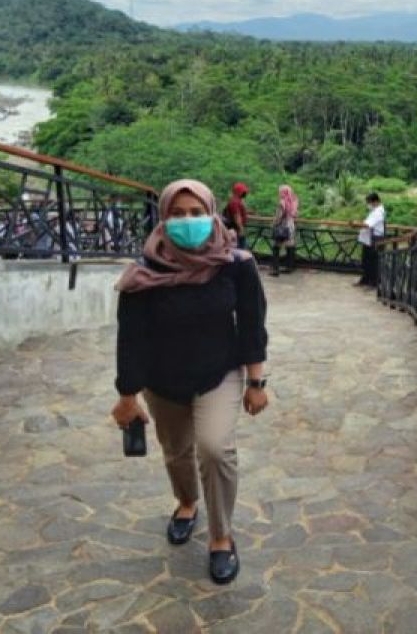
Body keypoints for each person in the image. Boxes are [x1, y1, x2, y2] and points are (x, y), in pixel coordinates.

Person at [111, 179, 269, 586]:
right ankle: (186, 503)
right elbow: (131, 337)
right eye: (177, 214)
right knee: (176, 450)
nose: (187, 221)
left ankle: (220, 536)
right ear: (163, 218)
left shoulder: (236, 264)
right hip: (162, 381)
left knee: (215, 449)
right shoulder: (144, 273)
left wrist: (257, 381)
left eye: (196, 213)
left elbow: (252, 325)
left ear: (212, 214)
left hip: (219, 373)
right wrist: (127, 396)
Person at [354, 192, 386, 287]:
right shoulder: (374, 211)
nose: (368, 205)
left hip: (376, 239)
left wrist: (356, 224)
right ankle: (366, 279)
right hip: (369, 238)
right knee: (366, 260)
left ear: (375, 202)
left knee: (373, 261)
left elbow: (368, 224)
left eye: (369, 203)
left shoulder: (379, 212)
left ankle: (373, 282)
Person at [270, 184, 299, 277]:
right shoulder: (292, 202)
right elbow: (295, 215)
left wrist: (273, 224)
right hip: (290, 226)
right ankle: (289, 267)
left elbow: (279, 216)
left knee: (276, 247)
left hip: (282, 227)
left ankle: (275, 269)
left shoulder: (282, 202)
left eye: (280, 192)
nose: (279, 193)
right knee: (289, 247)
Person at [223, 182, 250, 249]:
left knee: (241, 247)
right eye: (243, 192)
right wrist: (241, 229)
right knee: (240, 248)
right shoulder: (235, 202)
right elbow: (236, 216)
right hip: (235, 229)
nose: (245, 193)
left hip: (235, 229)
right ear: (239, 192)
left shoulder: (236, 201)